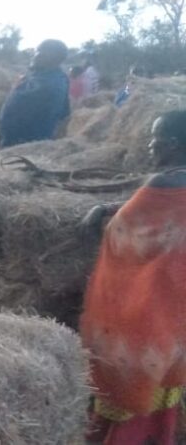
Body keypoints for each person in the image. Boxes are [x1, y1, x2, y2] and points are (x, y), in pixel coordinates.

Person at [78, 110, 186, 445]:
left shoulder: (162, 184)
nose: (151, 145)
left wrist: (102, 216)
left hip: (147, 308)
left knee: (129, 373)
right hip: (177, 309)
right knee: (163, 371)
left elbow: (125, 232)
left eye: (155, 138)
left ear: (172, 144)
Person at [0, 40, 71, 148]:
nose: (34, 56)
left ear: (51, 58)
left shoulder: (49, 84)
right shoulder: (46, 77)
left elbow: (19, 111)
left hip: (26, 145)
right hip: (16, 142)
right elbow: (65, 112)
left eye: (39, 52)